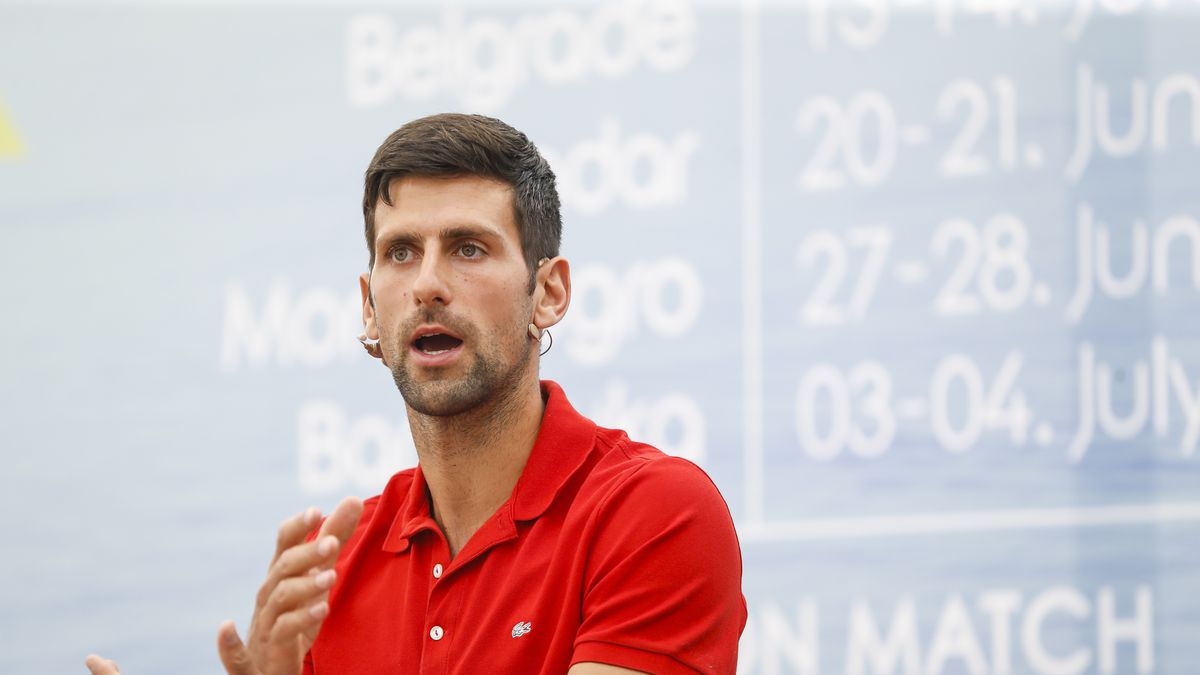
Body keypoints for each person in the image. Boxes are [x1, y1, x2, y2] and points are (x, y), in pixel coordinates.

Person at [87, 113, 746, 675]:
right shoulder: (331, 567)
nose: (428, 284)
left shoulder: (655, 511)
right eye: (401, 252)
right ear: (370, 308)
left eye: (468, 248)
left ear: (548, 293)